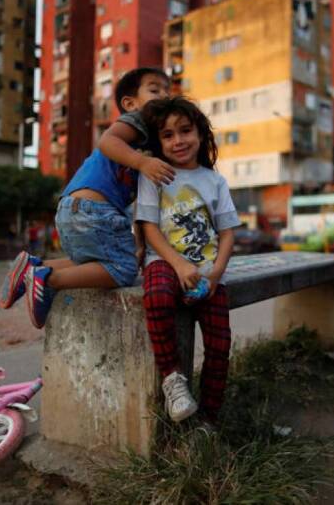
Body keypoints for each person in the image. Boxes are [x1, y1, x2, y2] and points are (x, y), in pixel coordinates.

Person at [0, 67, 176, 328]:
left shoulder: (150, 147)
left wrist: (139, 244)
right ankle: (47, 279)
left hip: (73, 208)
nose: (164, 95)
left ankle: (34, 266)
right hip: (95, 208)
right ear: (130, 102)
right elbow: (107, 141)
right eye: (154, 89)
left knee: (93, 264)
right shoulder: (138, 120)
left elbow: (142, 205)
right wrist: (141, 162)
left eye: (167, 90)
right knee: (123, 270)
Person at [137, 97, 240, 424]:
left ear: (200, 134)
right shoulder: (155, 175)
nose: (178, 140)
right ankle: (172, 379)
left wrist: (215, 274)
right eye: (168, 135)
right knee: (155, 298)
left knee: (220, 346)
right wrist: (178, 264)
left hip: (208, 272)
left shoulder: (214, 180)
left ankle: (208, 420)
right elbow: (149, 228)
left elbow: (226, 233)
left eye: (185, 131)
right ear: (159, 142)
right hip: (163, 261)